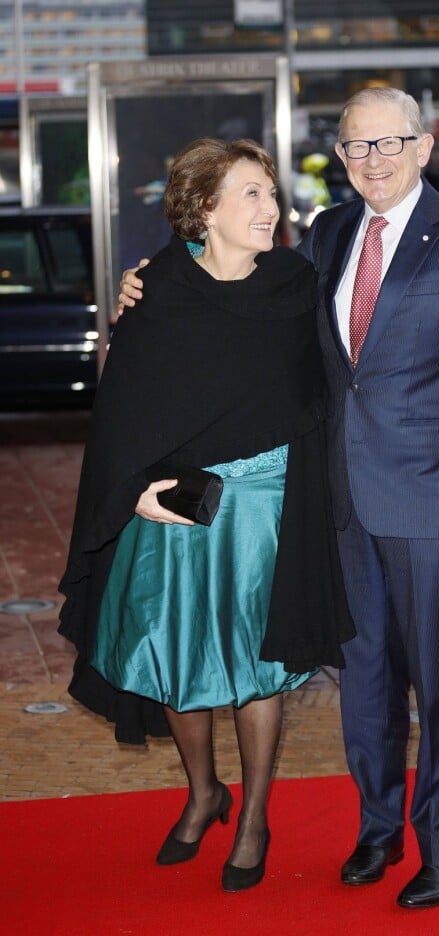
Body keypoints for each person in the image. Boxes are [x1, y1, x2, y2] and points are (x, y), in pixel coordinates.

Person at [118, 89, 439, 911]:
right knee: (365, 680)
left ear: (424, 147)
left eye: (390, 143)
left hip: (433, 503)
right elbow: (237, 288)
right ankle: (379, 829)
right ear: (341, 158)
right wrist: (151, 278)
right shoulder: (326, 234)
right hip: (339, 502)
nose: (373, 160)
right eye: (357, 147)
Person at [59, 138, 353, 893]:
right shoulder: (156, 287)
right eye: (251, 194)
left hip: (267, 504)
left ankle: (252, 816)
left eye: (271, 192)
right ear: (205, 210)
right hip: (177, 505)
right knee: (176, 655)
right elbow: (122, 405)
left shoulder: (296, 279)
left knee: (259, 665)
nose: (272, 208)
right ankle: (203, 793)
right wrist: (132, 494)